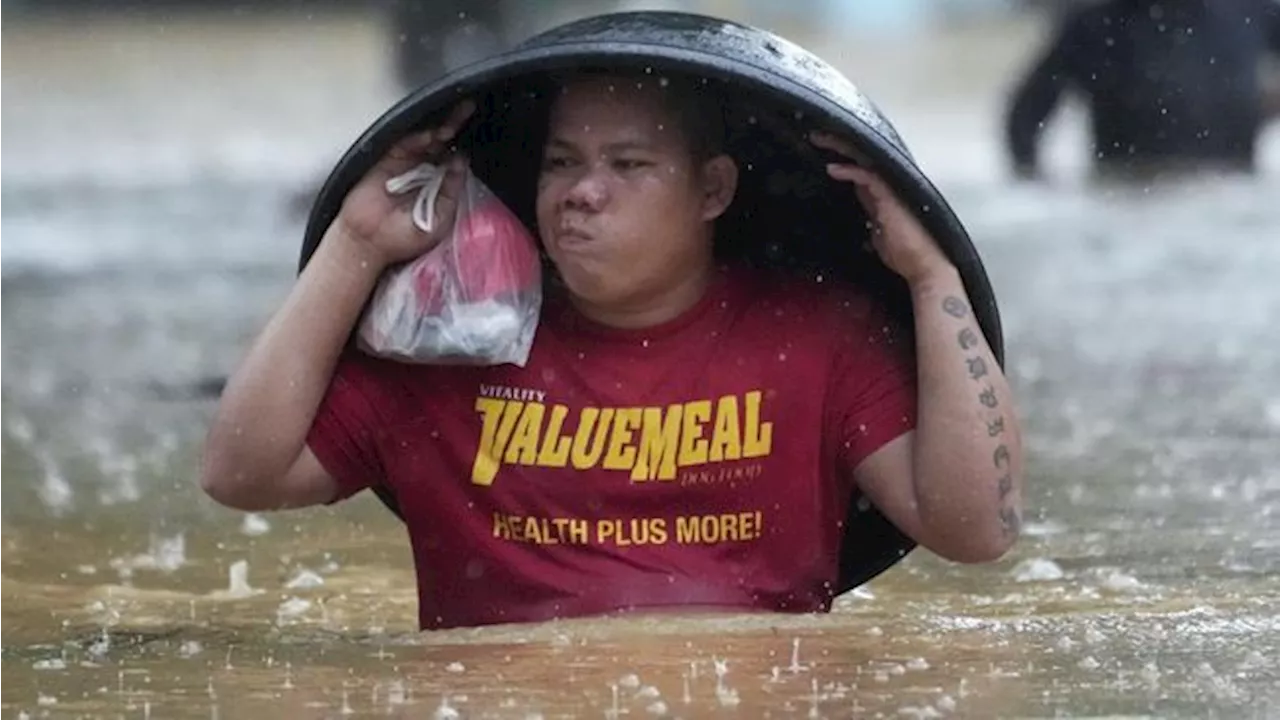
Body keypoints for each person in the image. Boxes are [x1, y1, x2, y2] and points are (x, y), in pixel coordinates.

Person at [200, 69, 1025, 630]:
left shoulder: (816, 335)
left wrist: (929, 271)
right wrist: (354, 242)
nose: (581, 192)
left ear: (713, 191)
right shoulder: (454, 349)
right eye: (563, 162)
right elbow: (240, 473)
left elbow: (978, 529)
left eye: (627, 164)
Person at [1004, 0, 1280, 180]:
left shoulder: (1247, 13)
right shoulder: (1093, 26)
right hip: (1128, 197)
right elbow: (1024, 118)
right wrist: (1037, 187)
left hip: (1232, 194)